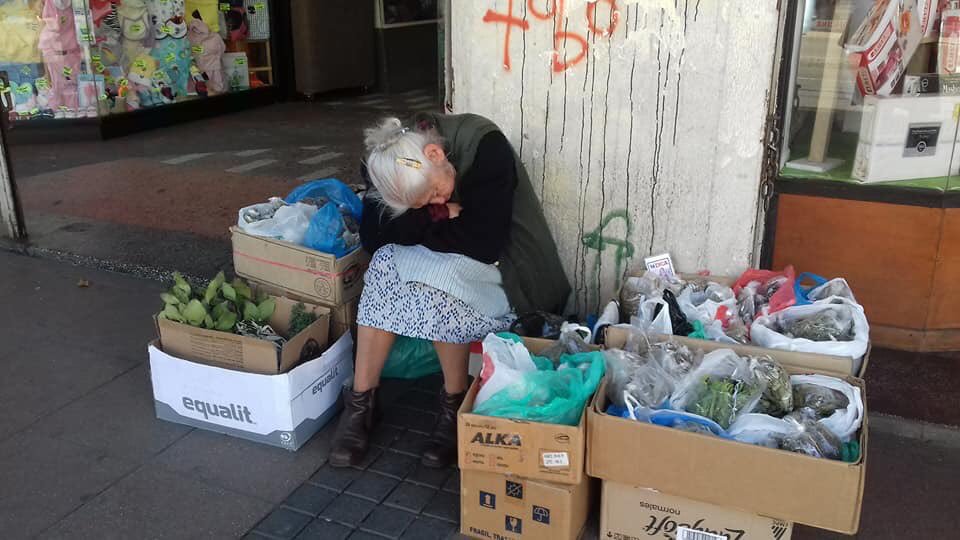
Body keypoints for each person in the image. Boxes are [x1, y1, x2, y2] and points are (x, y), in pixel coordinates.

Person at [329, 113, 570, 468]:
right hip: (449, 253)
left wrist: (411, 227)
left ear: (436, 155)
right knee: (383, 265)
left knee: (438, 281)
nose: (432, 202)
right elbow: (374, 237)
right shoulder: (391, 160)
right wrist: (436, 216)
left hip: (510, 269)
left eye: (433, 194)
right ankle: (361, 403)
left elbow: (482, 243)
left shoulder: (486, 147)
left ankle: (454, 403)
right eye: (418, 206)